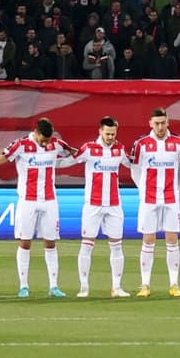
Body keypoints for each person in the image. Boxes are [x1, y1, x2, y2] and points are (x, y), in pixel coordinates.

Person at [0, 118, 77, 298]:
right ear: (36, 132)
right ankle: (24, 286)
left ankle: (54, 286)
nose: (46, 143)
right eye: (43, 140)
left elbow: (75, 153)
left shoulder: (56, 144)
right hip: (27, 201)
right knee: (25, 242)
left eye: (48, 140)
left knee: (50, 242)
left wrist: (62, 163)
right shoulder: (21, 145)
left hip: (49, 200)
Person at [67, 116, 133, 298]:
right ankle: (84, 287)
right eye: (108, 133)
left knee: (117, 246)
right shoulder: (89, 149)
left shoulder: (119, 149)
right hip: (92, 205)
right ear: (100, 131)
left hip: (113, 205)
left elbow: (133, 164)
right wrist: (49, 162)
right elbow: (69, 161)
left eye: (113, 134)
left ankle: (117, 287)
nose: (111, 137)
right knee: (87, 245)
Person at [131, 108, 180, 297]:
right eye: (156, 123)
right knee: (148, 240)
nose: (160, 127)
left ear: (168, 122)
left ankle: (174, 285)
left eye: (163, 123)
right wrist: (143, 190)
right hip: (149, 198)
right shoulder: (141, 144)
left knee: (172, 240)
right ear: (150, 123)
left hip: (171, 197)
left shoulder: (179, 142)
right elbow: (135, 170)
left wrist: (176, 189)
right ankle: (145, 285)